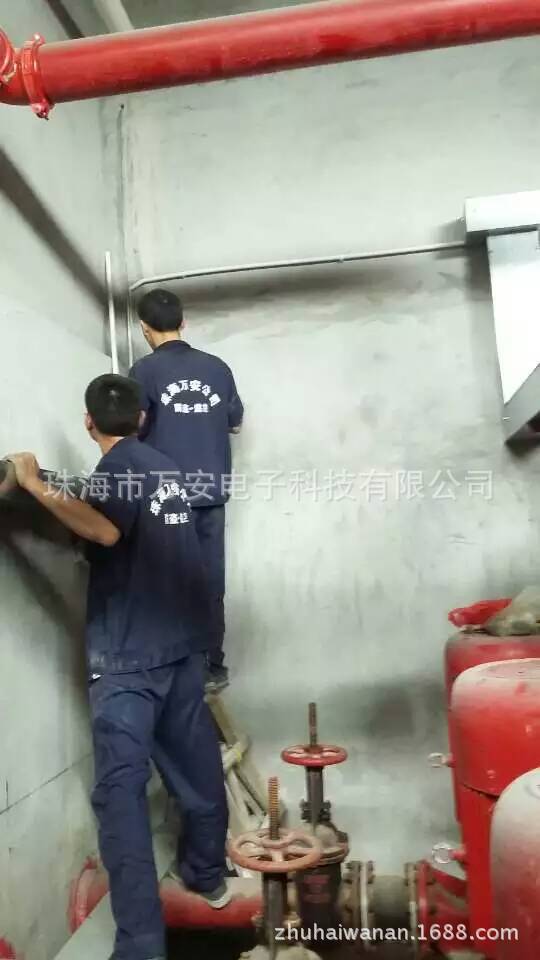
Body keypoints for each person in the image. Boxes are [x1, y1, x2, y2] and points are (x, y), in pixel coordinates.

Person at [7, 374, 230, 960]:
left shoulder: (115, 472)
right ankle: (207, 875)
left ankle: (141, 945)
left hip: (129, 662)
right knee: (196, 767)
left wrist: (32, 483)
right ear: (144, 418)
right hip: (181, 648)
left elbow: (105, 529)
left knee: (121, 796)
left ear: (88, 423)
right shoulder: (164, 469)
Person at [130, 288, 244, 691]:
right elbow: (235, 421)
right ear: (183, 322)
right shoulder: (218, 369)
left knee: (163, 579)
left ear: (144, 328)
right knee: (209, 582)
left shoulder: (143, 371)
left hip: (164, 496)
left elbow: (132, 429)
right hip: (210, 492)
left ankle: (170, 666)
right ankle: (212, 666)